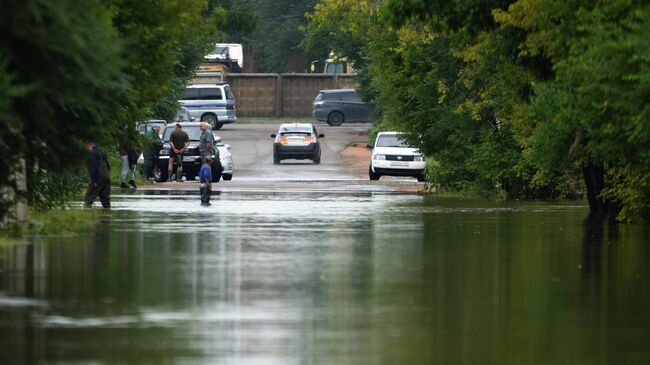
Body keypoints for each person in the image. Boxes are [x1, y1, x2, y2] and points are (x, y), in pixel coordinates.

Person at [85, 142, 111, 208]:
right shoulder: (101, 152)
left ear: (88, 145)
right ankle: (107, 216)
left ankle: (85, 213)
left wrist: (94, 181)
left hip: (98, 177)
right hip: (106, 177)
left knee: (89, 197)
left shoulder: (92, 153)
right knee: (105, 199)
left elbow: (93, 168)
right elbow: (108, 167)